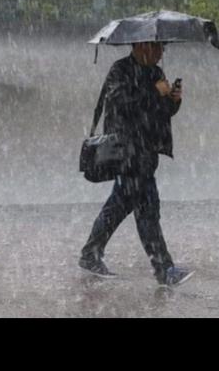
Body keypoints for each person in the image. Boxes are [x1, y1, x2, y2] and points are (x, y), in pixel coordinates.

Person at [78, 41, 194, 287]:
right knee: (147, 211)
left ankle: (91, 254)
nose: (162, 52)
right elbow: (120, 105)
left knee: (119, 207)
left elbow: (161, 111)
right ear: (142, 46)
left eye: (163, 48)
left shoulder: (156, 72)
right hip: (127, 153)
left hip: (147, 152)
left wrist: (172, 100)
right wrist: (153, 92)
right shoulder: (119, 70)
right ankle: (164, 269)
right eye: (158, 47)